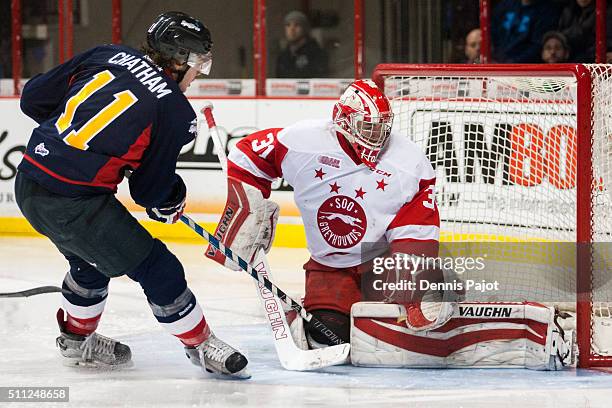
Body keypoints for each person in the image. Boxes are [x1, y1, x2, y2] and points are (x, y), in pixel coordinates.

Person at [206, 80, 575, 370]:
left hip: (382, 263)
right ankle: (308, 315)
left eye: (383, 127)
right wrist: (249, 209)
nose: (377, 136)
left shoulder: (408, 161)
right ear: (343, 120)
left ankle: (509, 320)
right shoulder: (302, 141)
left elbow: (416, 230)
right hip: (328, 267)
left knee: (427, 320)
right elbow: (246, 157)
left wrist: (414, 288)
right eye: (368, 127)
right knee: (330, 340)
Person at [14, 11, 248, 378]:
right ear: (179, 58)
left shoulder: (104, 53)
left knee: (90, 264)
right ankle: (201, 345)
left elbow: (32, 99)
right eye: (199, 62)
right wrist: (171, 198)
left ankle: (77, 340)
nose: (199, 74)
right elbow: (149, 191)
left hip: (28, 182)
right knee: (158, 267)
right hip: (73, 203)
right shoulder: (174, 110)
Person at [491, 0, 561, 63]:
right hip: (495, 62)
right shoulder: (504, 5)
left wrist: (511, 63)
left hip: (524, 69)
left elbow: (537, 47)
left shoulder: (548, 12)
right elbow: (491, 33)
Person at [275, 10, 329, 78]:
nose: (292, 29)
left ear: (305, 29)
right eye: (288, 25)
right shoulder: (283, 56)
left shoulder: (317, 53)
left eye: (297, 25)